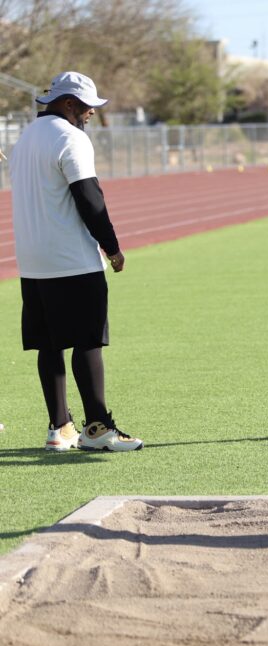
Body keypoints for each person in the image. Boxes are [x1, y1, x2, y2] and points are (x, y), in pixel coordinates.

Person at [8, 71, 142, 452]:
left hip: (32, 261)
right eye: (86, 107)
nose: (91, 114)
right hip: (71, 259)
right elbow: (89, 198)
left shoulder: (25, 139)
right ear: (68, 103)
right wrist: (112, 247)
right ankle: (98, 428)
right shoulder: (70, 138)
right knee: (88, 341)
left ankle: (60, 427)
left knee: (49, 345)